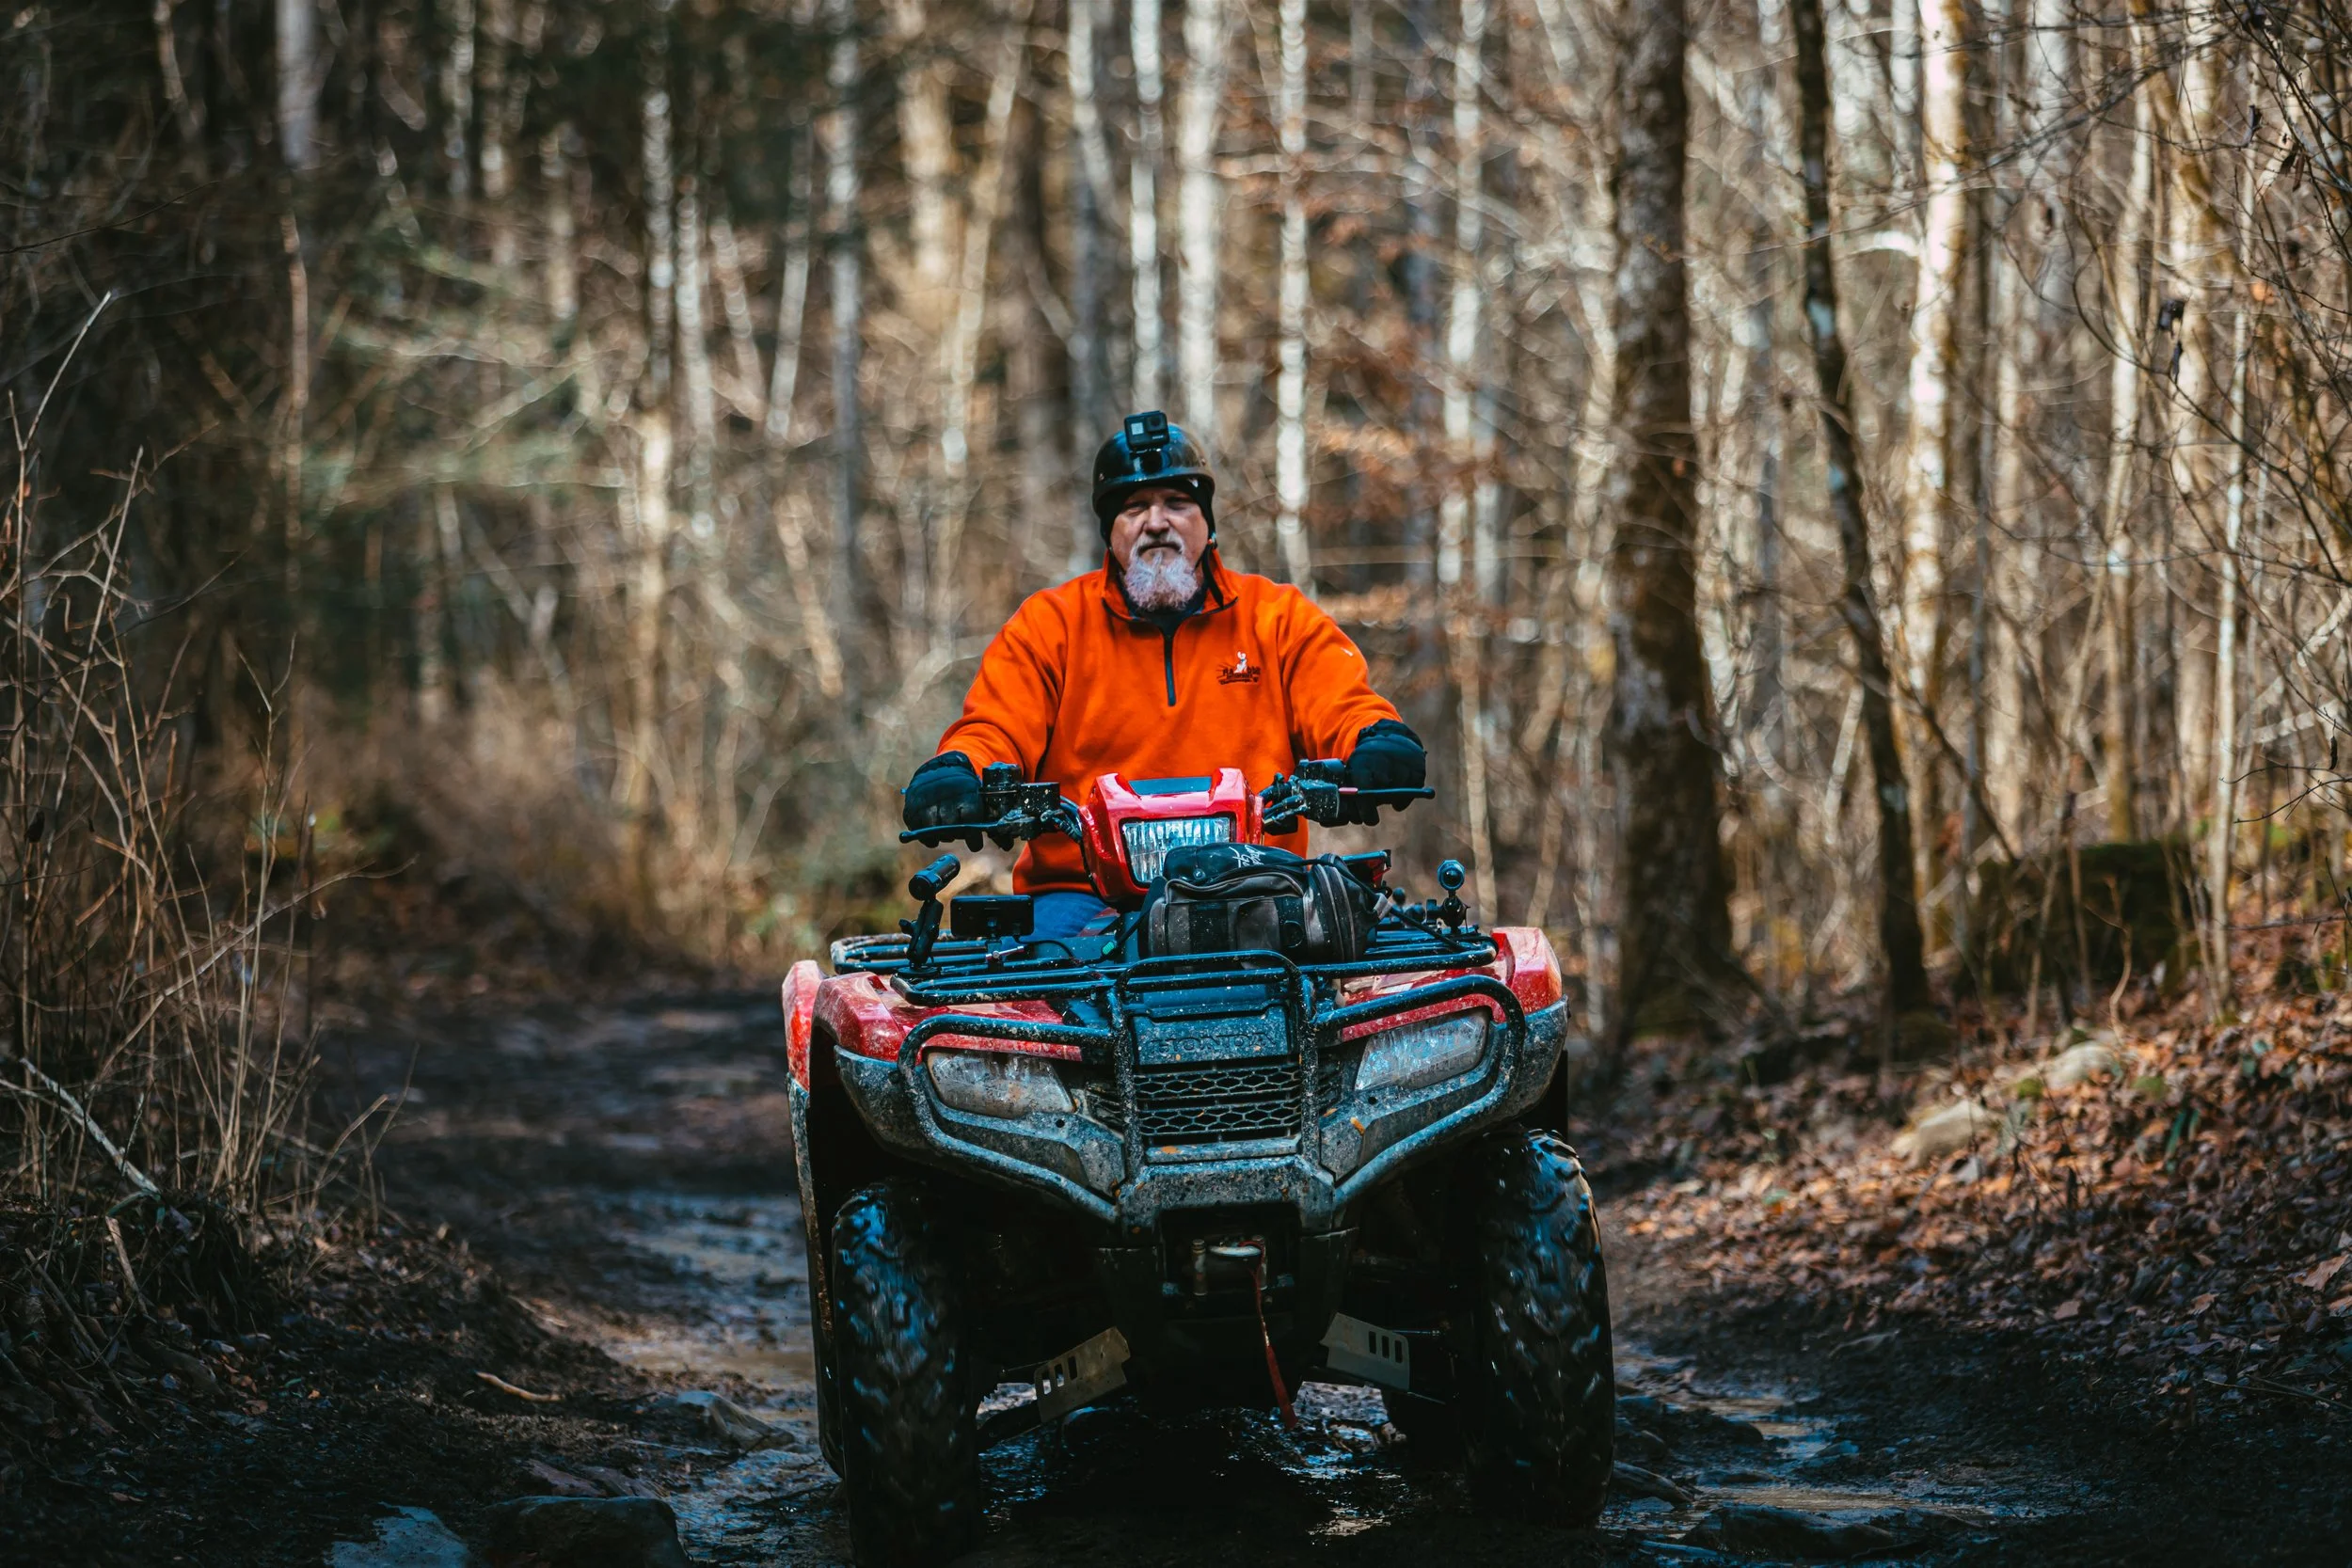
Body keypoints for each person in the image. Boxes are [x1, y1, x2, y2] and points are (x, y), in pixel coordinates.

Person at [900, 410, 1425, 940]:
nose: (1156, 522)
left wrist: (1374, 739)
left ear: (1206, 522)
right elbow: (998, 723)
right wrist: (962, 766)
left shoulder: (1276, 617)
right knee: (1035, 998)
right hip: (1080, 896)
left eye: (1177, 503)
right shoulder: (1050, 625)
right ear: (1111, 532)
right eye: (1133, 507)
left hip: (1258, 887)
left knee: (1340, 992)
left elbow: (1339, 699)